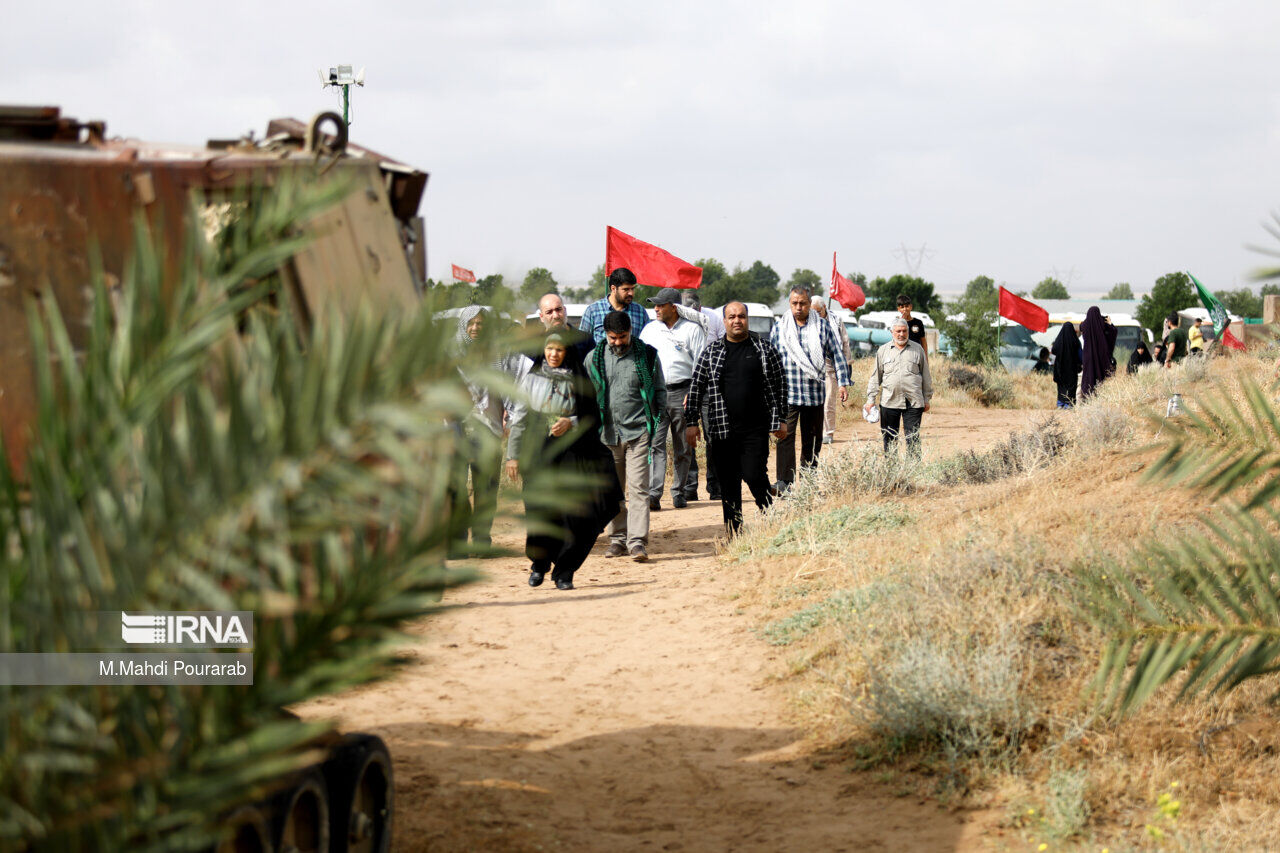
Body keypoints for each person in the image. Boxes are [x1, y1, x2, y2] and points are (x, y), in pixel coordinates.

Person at [505, 332, 622, 591]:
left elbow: (593, 416)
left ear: (566, 352)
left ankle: (565, 571)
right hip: (539, 454)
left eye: (559, 350)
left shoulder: (579, 379)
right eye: (550, 349)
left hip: (574, 452)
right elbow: (520, 420)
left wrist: (572, 422)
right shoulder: (532, 378)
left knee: (576, 514)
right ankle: (539, 564)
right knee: (539, 511)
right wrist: (512, 456)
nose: (554, 354)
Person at [685, 302, 788, 535]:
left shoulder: (764, 349)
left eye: (741, 316)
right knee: (729, 485)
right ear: (724, 321)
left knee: (754, 475)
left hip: (755, 429)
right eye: (731, 317)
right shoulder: (712, 352)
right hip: (722, 430)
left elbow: (780, 384)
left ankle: (772, 519)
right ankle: (734, 533)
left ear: (747, 319)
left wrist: (781, 418)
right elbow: (696, 388)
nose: (736, 321)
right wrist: (692, 423)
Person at [586, 310, 666, 562]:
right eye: (613, 337)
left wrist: (657, 419)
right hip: (607, 435)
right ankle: (618, 539)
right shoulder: (594, 359)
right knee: (613, 491)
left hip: (638, 432)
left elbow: (659, 390)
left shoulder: (648, 356)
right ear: (605, 335)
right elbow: (586, 396)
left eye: (623, 336)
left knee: (639, 488)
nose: (618, 342)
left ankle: (637, 542)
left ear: (631, 331)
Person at [770, 285, 851, 491]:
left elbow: (837, 356)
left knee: (812, 440)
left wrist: (842, 383)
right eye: (794, 303)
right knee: (784, 437)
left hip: (814, 394)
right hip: (786, 395)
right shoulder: (780, 328)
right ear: (790, 304)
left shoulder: (822, 327)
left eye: (802, 303)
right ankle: (784, 482)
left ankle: (808, 482)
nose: (798, 307)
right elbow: (770, 361)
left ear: (809, 304)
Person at [639, 288, 706, 510]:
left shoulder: (692, 330)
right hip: (656, 395)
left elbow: (700, 366)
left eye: (661, 305)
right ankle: (654, 494)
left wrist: (693, 395)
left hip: (683, 393)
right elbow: (640, 362)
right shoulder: (649, 331)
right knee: (655, 445)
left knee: (683, 446)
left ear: (674, 307)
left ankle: (679, 491)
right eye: (655, 305)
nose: (656, 309)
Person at [451, 306, 508, 549]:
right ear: (463, 326)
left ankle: (482, 540)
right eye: (471, 323)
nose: (475, 328)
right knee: (456, 489)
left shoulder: (498, 353)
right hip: (456, 430)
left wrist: (510, 418)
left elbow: (510, 388)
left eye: (481, 324)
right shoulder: (450, 355)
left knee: (486, 488)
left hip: (489, 429)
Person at [864, 316, 932, 457]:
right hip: (889, 401)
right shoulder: (883, 351)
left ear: (908, 331)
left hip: (913, 402)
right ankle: (891, 469)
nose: (901, 334)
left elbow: (926, 375)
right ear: (892, 332)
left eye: (904, 331)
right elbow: (875, 377)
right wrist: (870, 400)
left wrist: (926, 398)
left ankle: (913, 471)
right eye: (898, 331)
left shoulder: (917, 349)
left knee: (912, 437)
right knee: (889, 438)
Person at [680, 294, 722, 503]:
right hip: (685, 385)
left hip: (710, 386)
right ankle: (689, 487)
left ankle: (716, 486)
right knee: (688, 437)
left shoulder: (714, 319)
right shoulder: (677, 323)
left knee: (712, 436)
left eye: (693, 309)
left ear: (700, 307)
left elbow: (725, 346)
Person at [579, 267, 649, 357]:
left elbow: (648, 343)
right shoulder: (593, 311)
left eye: (632, 289)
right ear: (613, 288)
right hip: (600, 368)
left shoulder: (640, 312)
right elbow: (582, 344)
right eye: (626, 289)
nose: (631, 293)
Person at [811, 296, 853, 445]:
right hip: (813, 367)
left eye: (818, 311)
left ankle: (827, 432)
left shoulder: (836, 320)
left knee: (828, 401)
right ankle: (814, 431)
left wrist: (846, 366)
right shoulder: (809, 321)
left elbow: (845, 342)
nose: (816, 314)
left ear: (824, 308)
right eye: (813, 311)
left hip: (831, 367)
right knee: (814, 402)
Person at [1080, 307, 1118, 400]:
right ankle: (1099, 397)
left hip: (1088, 357)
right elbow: (1113, 333)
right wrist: (1110, 323)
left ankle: (1087, 396)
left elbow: (1081, 326)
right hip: (1101, 356)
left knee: (1088, 376)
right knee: (1100, 376)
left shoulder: (1085, 326)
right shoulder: (1103, 326)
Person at [1051, 322, 1082, 408]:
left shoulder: (1059, 340)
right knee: (1071, 387)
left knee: (1061, 387)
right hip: (1072, 369)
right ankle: (1069, 404)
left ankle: (1060, 403)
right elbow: (1081, 356)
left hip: (1060, 368)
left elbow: (1054, 350)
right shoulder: (1075, 341)